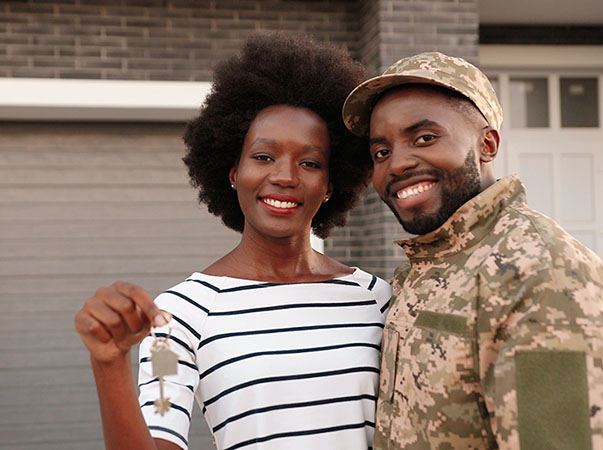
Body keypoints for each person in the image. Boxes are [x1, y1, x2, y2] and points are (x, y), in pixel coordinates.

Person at [74, 33, 392, 450]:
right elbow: (160, 431)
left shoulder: (375, 299)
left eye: (309, 162)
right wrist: (109, 364)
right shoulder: (178, 315)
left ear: (331, 185)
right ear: (232, 172)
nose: (285, 176)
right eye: (263, 157)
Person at [342, 52, 603, 449]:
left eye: (425, 138)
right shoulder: (430, 265)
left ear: (487, 144)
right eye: (381, 152)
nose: (396, 164)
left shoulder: (543, 277)